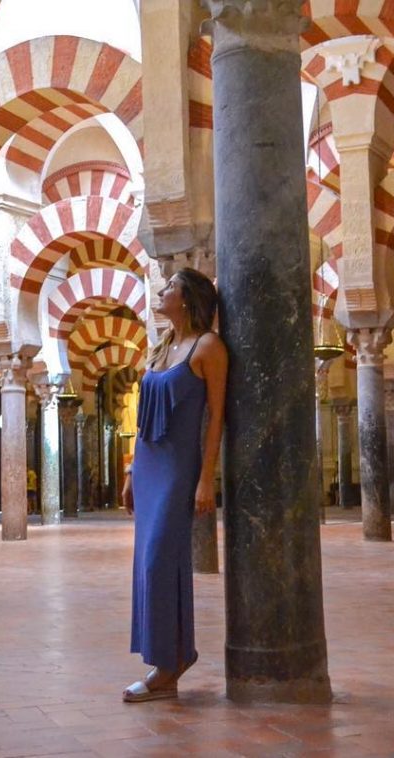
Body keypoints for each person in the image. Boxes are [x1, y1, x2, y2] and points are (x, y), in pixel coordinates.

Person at [121, 268, 227, 703]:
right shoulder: (163, 345)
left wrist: (206, 479)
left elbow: (216, 419)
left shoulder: (209, 347)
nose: (161, 292)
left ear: (186, 298)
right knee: (148, 565)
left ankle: (168, 665)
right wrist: (130, 472)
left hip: (178, 471)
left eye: (169, 287)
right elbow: (144, 421)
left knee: (159, 563)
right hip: (147, 469)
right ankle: (172, 657)